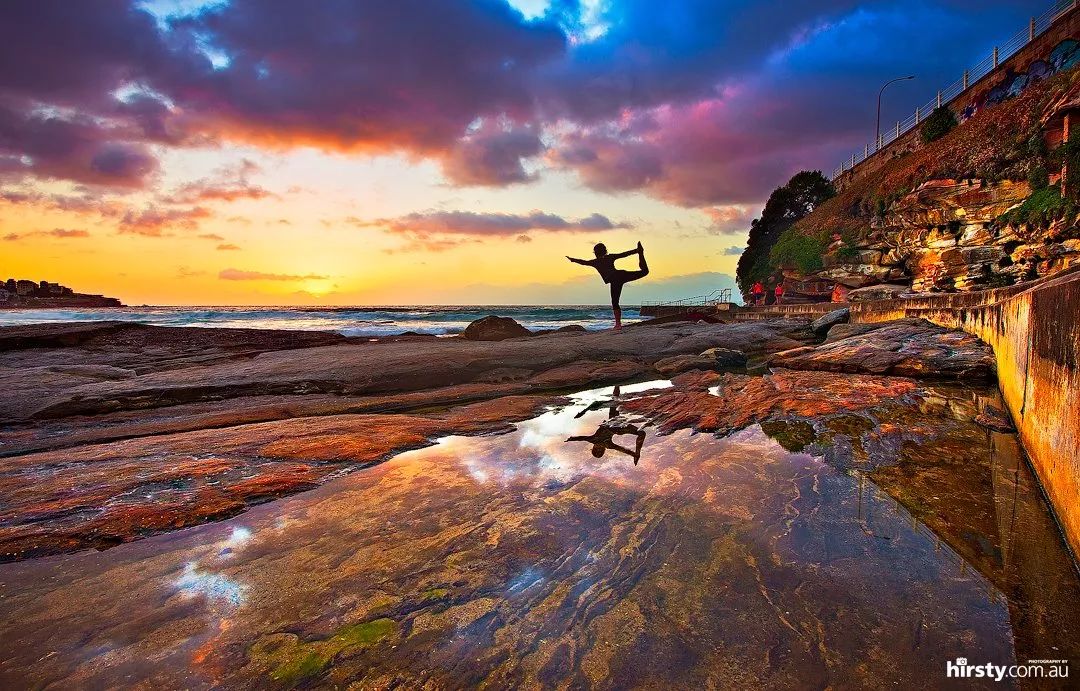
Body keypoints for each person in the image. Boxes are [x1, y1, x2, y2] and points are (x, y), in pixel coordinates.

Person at [567, 242, 649, 329]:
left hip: (615, 279)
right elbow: (623, 254)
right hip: (621, 275)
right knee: (645, 272)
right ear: (605, 251)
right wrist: (636, 251)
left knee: (615, 302)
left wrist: (572, 260)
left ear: (595, 253)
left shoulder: (595, 262)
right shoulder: (609, 257)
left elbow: (583, 262)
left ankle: (618, 324)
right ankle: (641, 253)